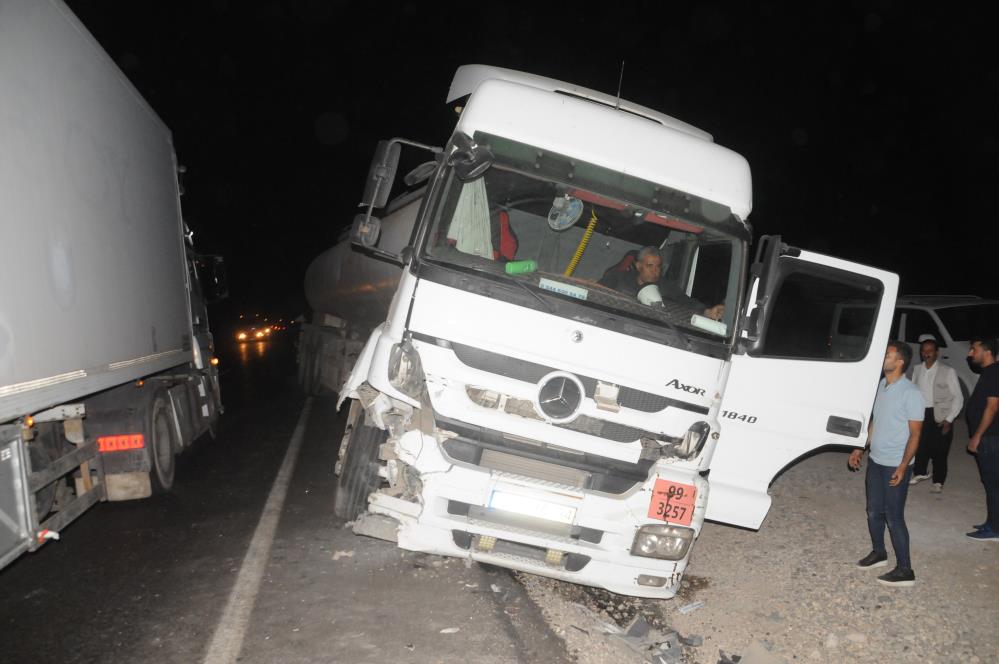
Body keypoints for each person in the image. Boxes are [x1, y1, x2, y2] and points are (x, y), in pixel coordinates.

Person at [848, 341, 924, 586]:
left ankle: (905, 570)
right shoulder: (882, 385)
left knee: (894, 516)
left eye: (887, 355)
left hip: (895, 464)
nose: (883, 358)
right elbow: (876, 421)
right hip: (876, 460)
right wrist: (860, 447)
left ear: (899, 361)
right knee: (873, 511)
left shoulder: (911, 393)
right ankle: (879, 552)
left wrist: (903, 466)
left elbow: (915, 434)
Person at [598, 246, 724, 320]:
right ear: (638, 266)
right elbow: (597, 291)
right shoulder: (618, 278)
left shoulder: (667, 288)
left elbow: (685, 301)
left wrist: (706, 312)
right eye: (650, 266)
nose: (655, 271)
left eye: (658, 267)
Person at [909, 338, 963, 492]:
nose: (926, 354)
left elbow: (958, 397)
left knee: (940, 449)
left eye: (930, 351)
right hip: (921, 413)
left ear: (937, 352)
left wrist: (949, 419)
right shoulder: (917, 369)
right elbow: (913, 392)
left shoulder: (948, 371)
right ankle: (920, 472)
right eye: (923, 351)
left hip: (940, 413)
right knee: (919, 445)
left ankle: (938, 480)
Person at [964, 337, 999, 542]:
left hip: (990, 438)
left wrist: (977, 435)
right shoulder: (990, 372)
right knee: (990, 482)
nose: (970, 353)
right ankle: (993, 521)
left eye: (973, 349)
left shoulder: (994, 372)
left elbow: (993, 407)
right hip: (990, 438)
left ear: (986, 352)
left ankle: (994, 527)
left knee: (993, 483)